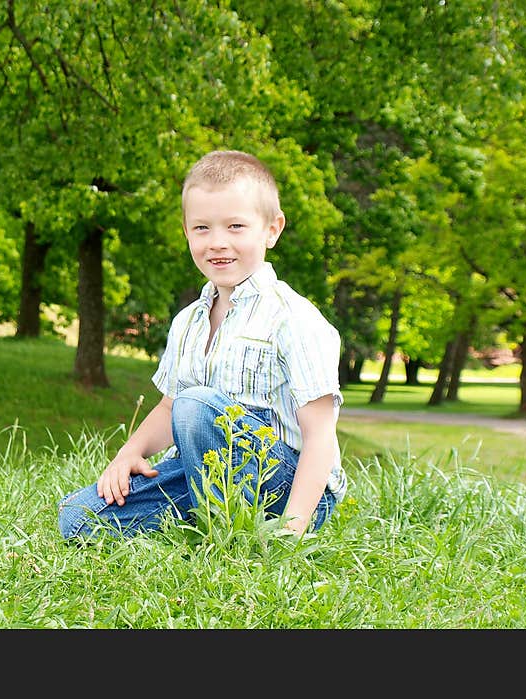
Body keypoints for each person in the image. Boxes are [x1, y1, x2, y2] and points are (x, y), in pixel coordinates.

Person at [58, 149, 346, 540]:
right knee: (77, 518)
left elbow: (320, 437)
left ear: (272, 229)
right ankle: (212, 523)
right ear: (187, 231)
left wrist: (293, 527)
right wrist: (131, 453)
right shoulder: (188, 321)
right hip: (201, 472)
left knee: (198, 405)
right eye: (202, 228)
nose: (217, 243)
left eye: (236, 227)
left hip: (284, 486)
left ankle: (247, 528)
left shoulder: (293, 319)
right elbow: (169, 405)